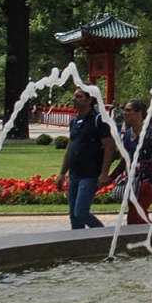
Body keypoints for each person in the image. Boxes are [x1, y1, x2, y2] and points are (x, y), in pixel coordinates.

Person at [57, 87, 114, 229]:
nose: (74, 99)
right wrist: (62, 173)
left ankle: (104, 236)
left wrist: (104, 173)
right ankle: (79, 247)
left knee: (81, 213)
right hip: (74, 175)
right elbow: (70, 148)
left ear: (89, 100)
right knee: (74, 217)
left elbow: (109, 147)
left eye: (78, 96)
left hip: (89, 175)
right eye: (74, 96)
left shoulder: (98, 120)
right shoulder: (74, 121)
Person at [107, 98, 152, 225]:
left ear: (139, 114)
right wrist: (112, 177)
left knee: (134, 218)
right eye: (124, 110)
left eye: (128, 110)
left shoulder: (150, 134)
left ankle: (147, 239)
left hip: (146, 184)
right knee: (139, 217)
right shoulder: (127, 135)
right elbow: (125, 161)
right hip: (132, 183)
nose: (124, 113)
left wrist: (151, 180)